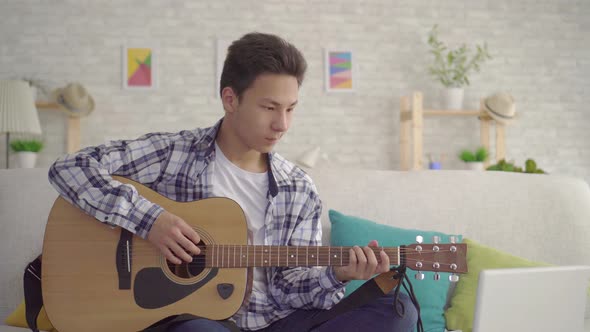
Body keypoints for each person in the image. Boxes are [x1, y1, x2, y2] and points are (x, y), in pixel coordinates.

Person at [48, 32, 418, 332]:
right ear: (230, 99)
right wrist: (152, 221)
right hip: (196, 320)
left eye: (291, 109)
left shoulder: (298, 188)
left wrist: (336, 274)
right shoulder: (172, 153)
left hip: (275, 321)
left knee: (398, 313)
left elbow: (290, 289)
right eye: (269, 108)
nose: (282, 124)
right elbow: (71, 167)